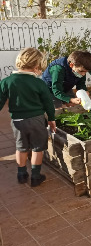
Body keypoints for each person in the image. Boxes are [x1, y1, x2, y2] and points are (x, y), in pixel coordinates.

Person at [0, 48, 56, 187]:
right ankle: (36, 176)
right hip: (36, 120)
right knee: (38, 148)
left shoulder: (7, 81)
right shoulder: (38, 83)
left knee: (21, 148)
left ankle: (21, 174)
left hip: (18, 122)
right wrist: (51, 119)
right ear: (36, 67)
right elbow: (48, 103)